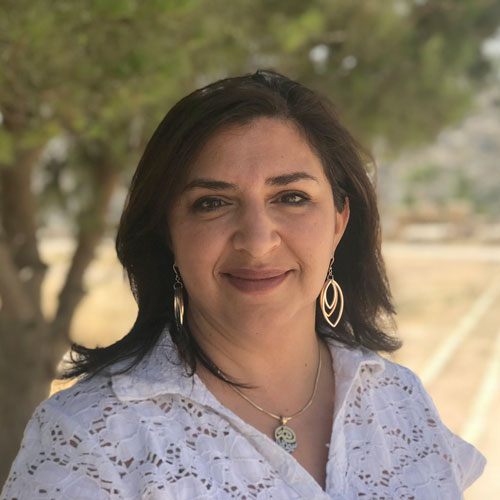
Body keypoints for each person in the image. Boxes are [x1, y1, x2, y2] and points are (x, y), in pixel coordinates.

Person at [2, 70, 485, 499]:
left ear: (339, 222)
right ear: (167, 231)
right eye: (212, 203)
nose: (256, 242)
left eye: (292, 197)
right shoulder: (87, 437)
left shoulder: (400, 401)